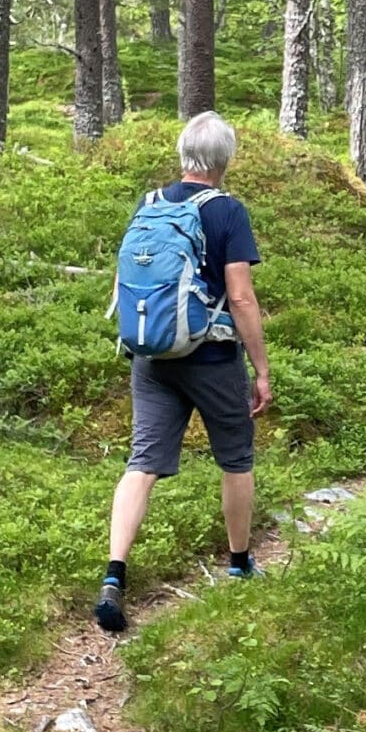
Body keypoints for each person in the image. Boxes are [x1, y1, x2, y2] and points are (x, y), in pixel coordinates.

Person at [94, 111, 271, 632]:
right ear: (224, 160)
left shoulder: (148, 205)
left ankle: (113, 574)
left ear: (183, 154)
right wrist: (260, 368)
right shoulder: (227, 212)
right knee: (236, 458)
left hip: (150, 354)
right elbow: (239, 296)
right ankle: (239, 564)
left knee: (142, 460)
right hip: (212, 358)